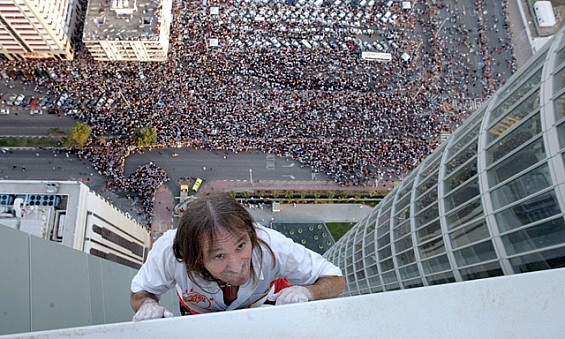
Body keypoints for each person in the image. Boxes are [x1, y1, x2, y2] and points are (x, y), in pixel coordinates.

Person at [130, 192, 345, 320]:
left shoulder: (270, 243)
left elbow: (335, 279)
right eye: (219, 256)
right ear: (194, 258)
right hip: (196, 313)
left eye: (241, 245)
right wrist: (147, 304)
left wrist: (308, 291)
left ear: (251, 235)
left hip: (261, 306)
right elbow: (140, 292)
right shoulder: (169, 250)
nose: (237, 267)